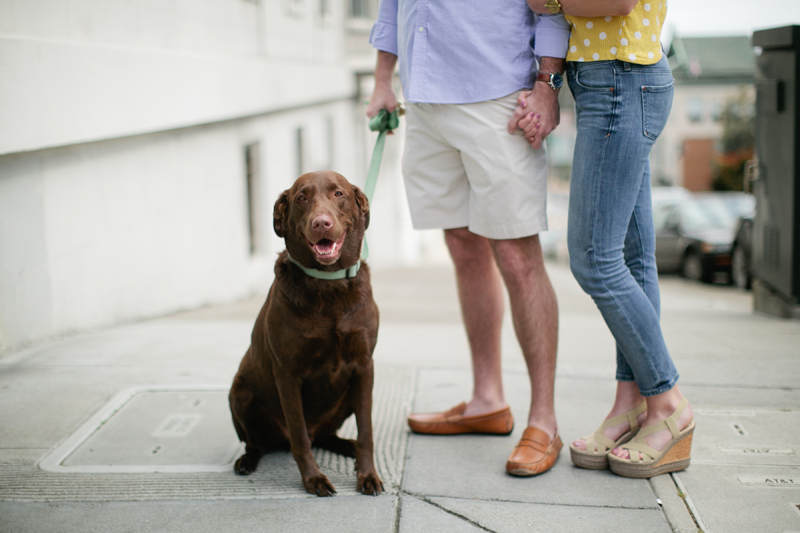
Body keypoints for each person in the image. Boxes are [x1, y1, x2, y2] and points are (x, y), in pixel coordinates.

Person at [367, 1, 570, 476]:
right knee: (461, 245)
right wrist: (382, 79)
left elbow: (552, 8)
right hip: (424, 98)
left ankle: (545, 421)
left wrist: (547, 85)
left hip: (499, 96)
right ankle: (487, 400)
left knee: (517, 258)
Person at [514, 0, 695, 478]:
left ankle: (668, 402)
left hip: (621, 80)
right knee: (634, 260)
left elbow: (617, 2)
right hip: (608, 81)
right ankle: (631, 403)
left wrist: (549, 0)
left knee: (595, 259)